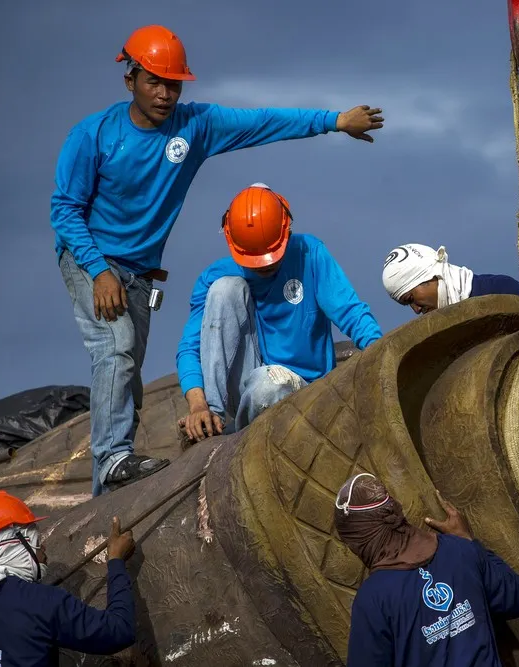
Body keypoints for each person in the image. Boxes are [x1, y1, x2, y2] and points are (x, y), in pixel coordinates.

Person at [50, 24, 384, 496]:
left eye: (174, 84)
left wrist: (334, 121)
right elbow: (64, 210)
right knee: (116, 350)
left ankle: (108, 495)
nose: (165, 94)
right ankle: (112, 457)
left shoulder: (196, 127)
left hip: (140, 274)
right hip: (91, 257)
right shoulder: (94, 136)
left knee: (128, 374)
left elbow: (262, 122)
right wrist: (100, 271)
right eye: (154, 82)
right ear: (130, 80)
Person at [176, 183, 383, 443]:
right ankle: (213, 419)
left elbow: (351, 312)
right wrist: (198, 405)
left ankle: (243, 431)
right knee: (224, 289)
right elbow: (191, 347)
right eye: (255, 259)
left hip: (308, 388)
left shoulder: (309, 253)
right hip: (248, 386)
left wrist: (381, 354)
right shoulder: (214, 276)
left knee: (267, 387)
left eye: (272, 255)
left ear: (287, 232)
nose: (265, 265)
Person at [335, 473, 519, 666]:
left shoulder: (373, 599)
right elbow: (518, 598)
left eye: (351, 542)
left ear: (362, 538)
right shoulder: (460, 549)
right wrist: (468, 540)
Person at [0, 491, 136, 664]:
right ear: (14, 545)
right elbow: (119, 630)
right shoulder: (41, 601)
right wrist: (116, 561)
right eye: (36, 540)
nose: (43, 547)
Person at [382, 243, 519, 315]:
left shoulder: (502, 290)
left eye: (410, 299)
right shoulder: (435, 337)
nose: (416, 310)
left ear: (431, 275)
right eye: (408, 305)